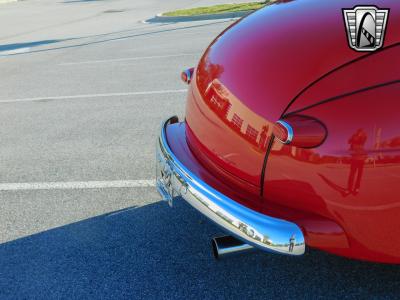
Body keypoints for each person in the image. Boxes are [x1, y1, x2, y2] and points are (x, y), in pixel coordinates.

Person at [347, 129, 368, 194]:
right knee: (352, 175)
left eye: (361, 133)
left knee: (359, 175)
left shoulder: (362, 140)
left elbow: (365, 137)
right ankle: (349, 189)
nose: (360, 134)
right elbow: (348, 141)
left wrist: (361, 134)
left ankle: (357, 188)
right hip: (354, 159)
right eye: (359, 133)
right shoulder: (353, 140)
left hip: (361, 159)